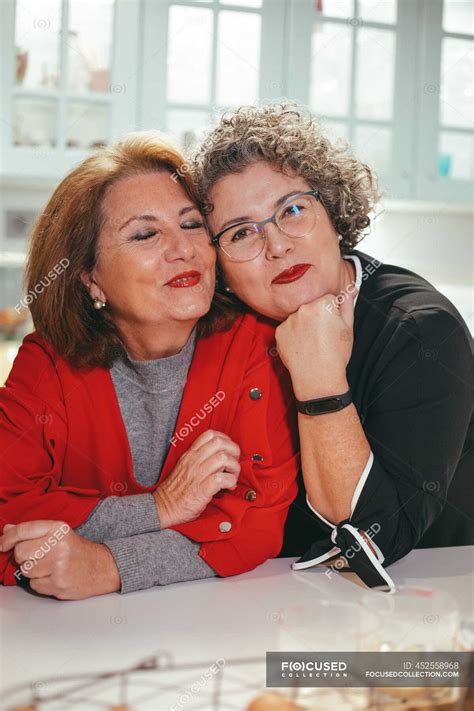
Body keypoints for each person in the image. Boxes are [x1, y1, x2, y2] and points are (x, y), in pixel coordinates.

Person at [0, 132, 299, 600]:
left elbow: (254, 525)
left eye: (193, 224)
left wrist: (108, 565)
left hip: (215, 625)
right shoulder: (47, 363)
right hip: (70, 638)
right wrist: (160, 509)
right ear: (89, 276)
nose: (184, 249)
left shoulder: (255, 347)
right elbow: (7, 518)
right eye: (145, 234)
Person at [192, 103, 473, 592]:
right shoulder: (230, 337)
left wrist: (320, 379)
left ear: (335, 213)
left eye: (293, 210)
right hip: (280, 601)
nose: (276, 245)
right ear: (223, 273)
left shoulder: (421, 330)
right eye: (241, 233)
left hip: (419, 615)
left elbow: (372, 544)